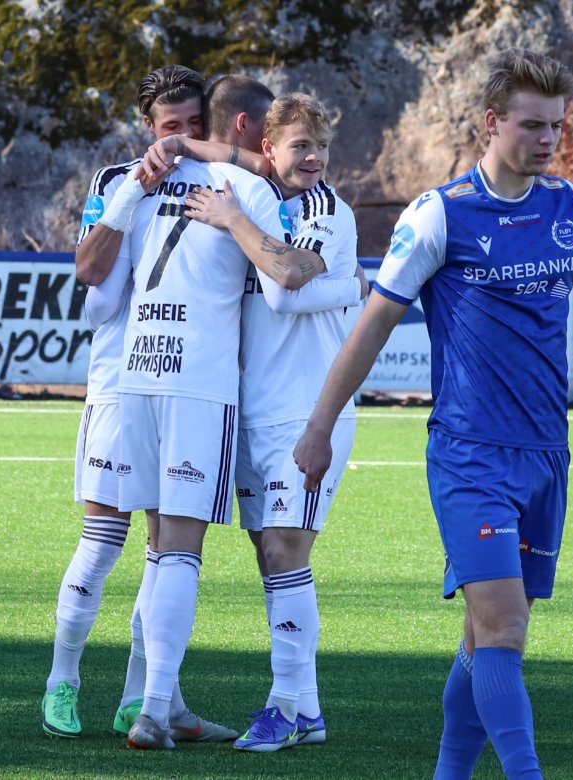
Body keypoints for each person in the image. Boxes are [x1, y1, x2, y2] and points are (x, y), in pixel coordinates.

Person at [292, 49, 573, 778]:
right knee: (502, 627)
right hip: (470, 453)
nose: (547, 140)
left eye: (556, 127)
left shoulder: (572, 208)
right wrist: (319, 425)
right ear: (490, 123)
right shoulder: (441, 213)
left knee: (487, 638)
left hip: (545, 454)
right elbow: (374, 323)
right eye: (532, 125)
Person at [43, 64, 236, 744]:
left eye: (193, 126)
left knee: (166, 547)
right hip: (119, 382)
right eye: (169, 128)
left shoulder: (226, 180)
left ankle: (139, 698)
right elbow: (90, 275)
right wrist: (134, 191)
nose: (181, 139)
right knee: (102, 540)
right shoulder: (116, 180)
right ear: (148, 130)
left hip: (183, 386)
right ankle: (62, 679)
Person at [94, 74, 287, 750]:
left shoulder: (139, 179)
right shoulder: (247, 187)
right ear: (247, 129)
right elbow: (282, 284)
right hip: (199, 382)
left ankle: (167, 702)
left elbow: (90, 273)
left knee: (155, 548)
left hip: (137, 373)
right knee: (180, 550)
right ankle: (150, 711)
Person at [182, 92, 366, 751]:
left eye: (321, 146)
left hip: (310, 410)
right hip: (255, 410)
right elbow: (230, 158)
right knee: (269, 555)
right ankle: (307, 709)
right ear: (271, 151)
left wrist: (233, 222)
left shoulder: (323, 210)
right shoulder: (261, 195)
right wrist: (179, 147)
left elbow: (286, 285)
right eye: (299, 146)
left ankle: (284, 708)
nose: (313, 157)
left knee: (288, 549)